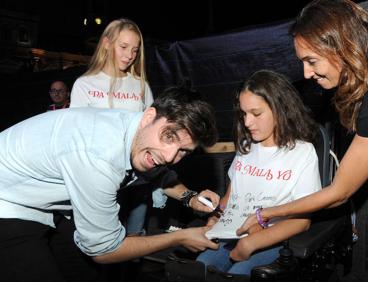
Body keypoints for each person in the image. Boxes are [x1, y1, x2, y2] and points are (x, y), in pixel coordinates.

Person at [0, 86, 220, 282]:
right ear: (149, 116)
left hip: (46, 202)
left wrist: (190, 198)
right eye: (169, 137)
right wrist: (179, 237)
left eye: (183, 150)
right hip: (7, 202)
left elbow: (158, 173)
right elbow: (104, 250)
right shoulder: (98, 156)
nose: (171, 156)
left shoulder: (140, 129)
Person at [237, 0, 368, 238]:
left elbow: (340, 192)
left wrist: (266, 213)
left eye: (311, 61)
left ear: (343, 48)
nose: (306, 73)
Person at [196, 70, 322, 275]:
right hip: (232, 233)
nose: (247, 122)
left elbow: (302, 221)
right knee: (200, 268)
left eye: (256, 114)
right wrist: (216, 218)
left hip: (273, 239)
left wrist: (252, 243)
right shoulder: (246, 145)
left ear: (280, 109)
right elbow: (229, 199)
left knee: (241, 274)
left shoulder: (302, 153)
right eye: (243, 114)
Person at [70, 18, 154, 237]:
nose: (129, 55)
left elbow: (151, 131)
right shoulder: (85, 84)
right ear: (106, 43)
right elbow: (75, 136)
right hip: (100, 181)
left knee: (135, 244)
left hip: (137, 180)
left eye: (135, 50)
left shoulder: (140, 85)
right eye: (123, 47)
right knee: (106, 246)